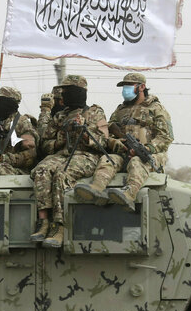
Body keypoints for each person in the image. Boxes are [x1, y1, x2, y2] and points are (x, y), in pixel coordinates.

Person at [74, 73, 173, 211]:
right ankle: (97, 188)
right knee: (107, 159)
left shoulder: (156, 109)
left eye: (129, 86)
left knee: (137, 162)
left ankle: (129, 194)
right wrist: (118, 142)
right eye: (124, 86)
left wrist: (148, 148)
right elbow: (109, 131)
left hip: (150, 155)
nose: (125, 90)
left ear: (141, 87)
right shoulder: (120, 110)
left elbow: (166, 136)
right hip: (123, 153)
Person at [30, 74, 109, 248]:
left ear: (77, 92)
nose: (63, 95)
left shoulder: (95, 113)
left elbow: (104, 142)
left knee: (62, 174)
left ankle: (60, 226)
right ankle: (43, 222)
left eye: (66, 91)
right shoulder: (59, 116)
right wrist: (60, 139)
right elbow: (45, 144)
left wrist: (84, 132)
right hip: (62, 154)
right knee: (41, 170)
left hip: (86, 156)